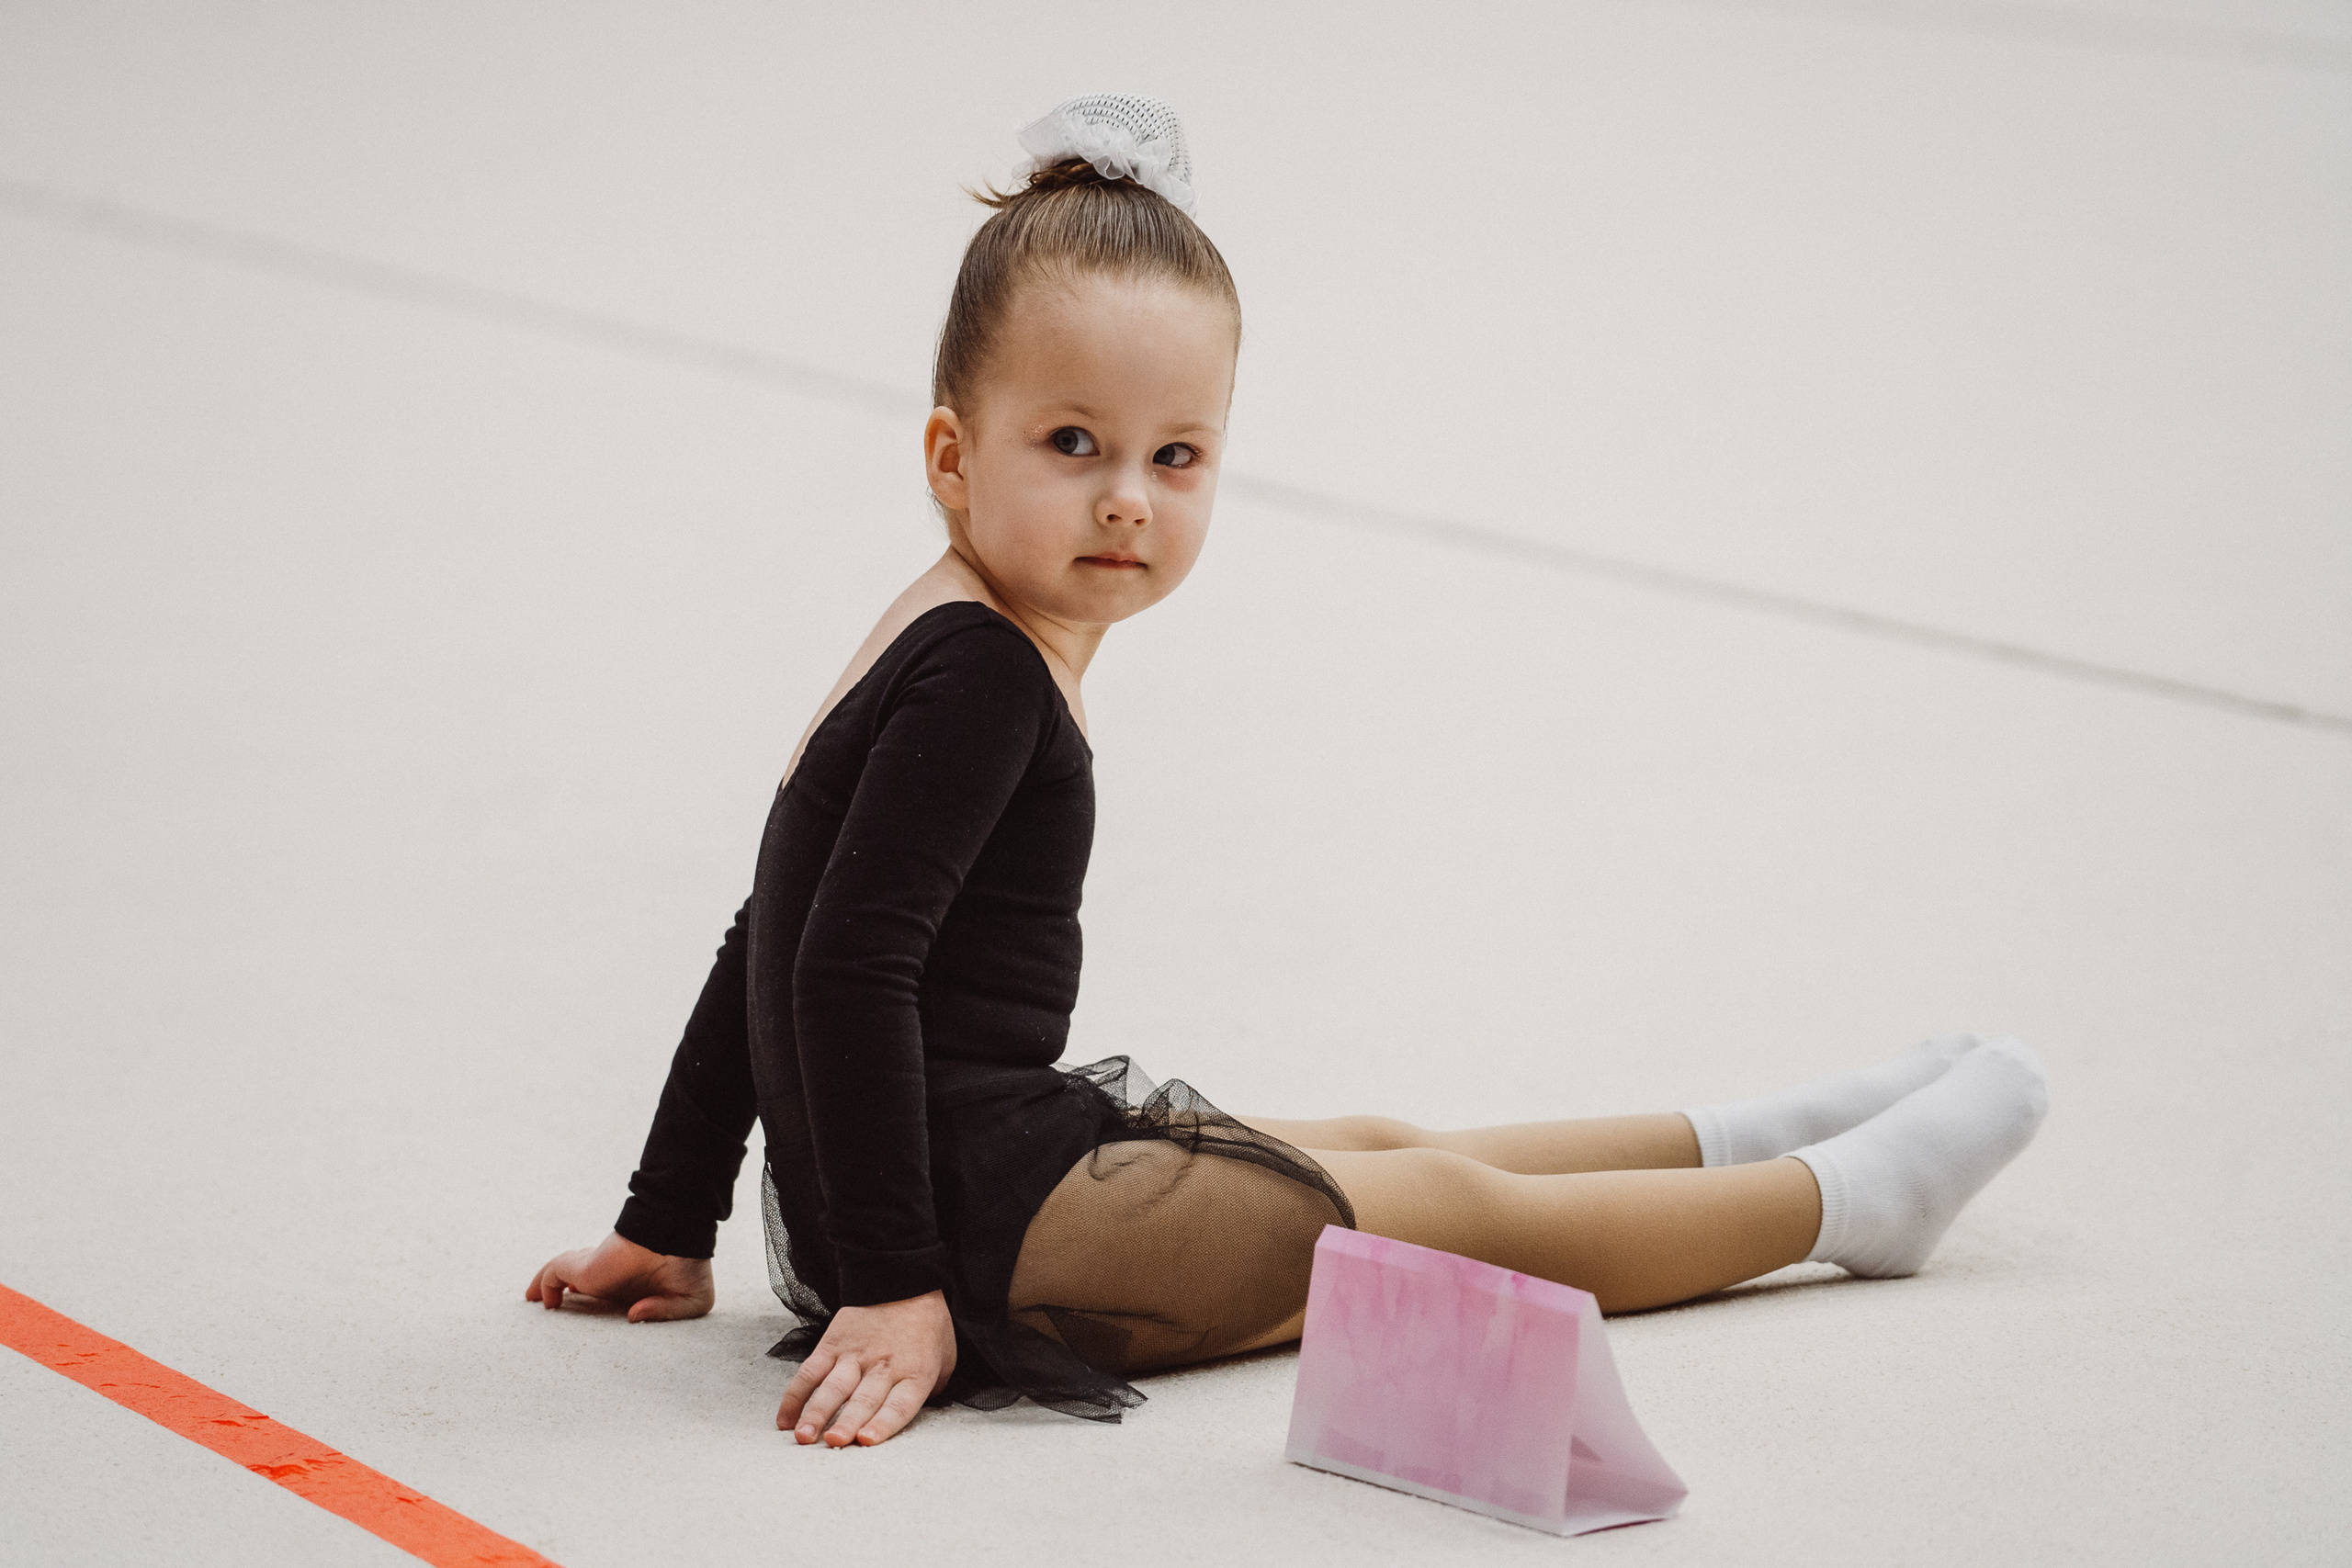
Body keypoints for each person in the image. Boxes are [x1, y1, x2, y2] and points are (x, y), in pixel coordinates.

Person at [526, 95, 2048, 1450]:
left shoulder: (934, 626)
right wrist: (902, 1287)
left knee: (1387, 1149)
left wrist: (668, 1223)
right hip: (994, 1227)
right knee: (1459, 1221)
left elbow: (759, 938)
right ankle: (1847, 1207)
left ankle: (1763, 1128)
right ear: (951, 453)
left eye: (1176, 457)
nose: (1128, 500)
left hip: (988, 1164)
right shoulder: (986, 672)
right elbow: (834, 967)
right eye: (1073, 442)